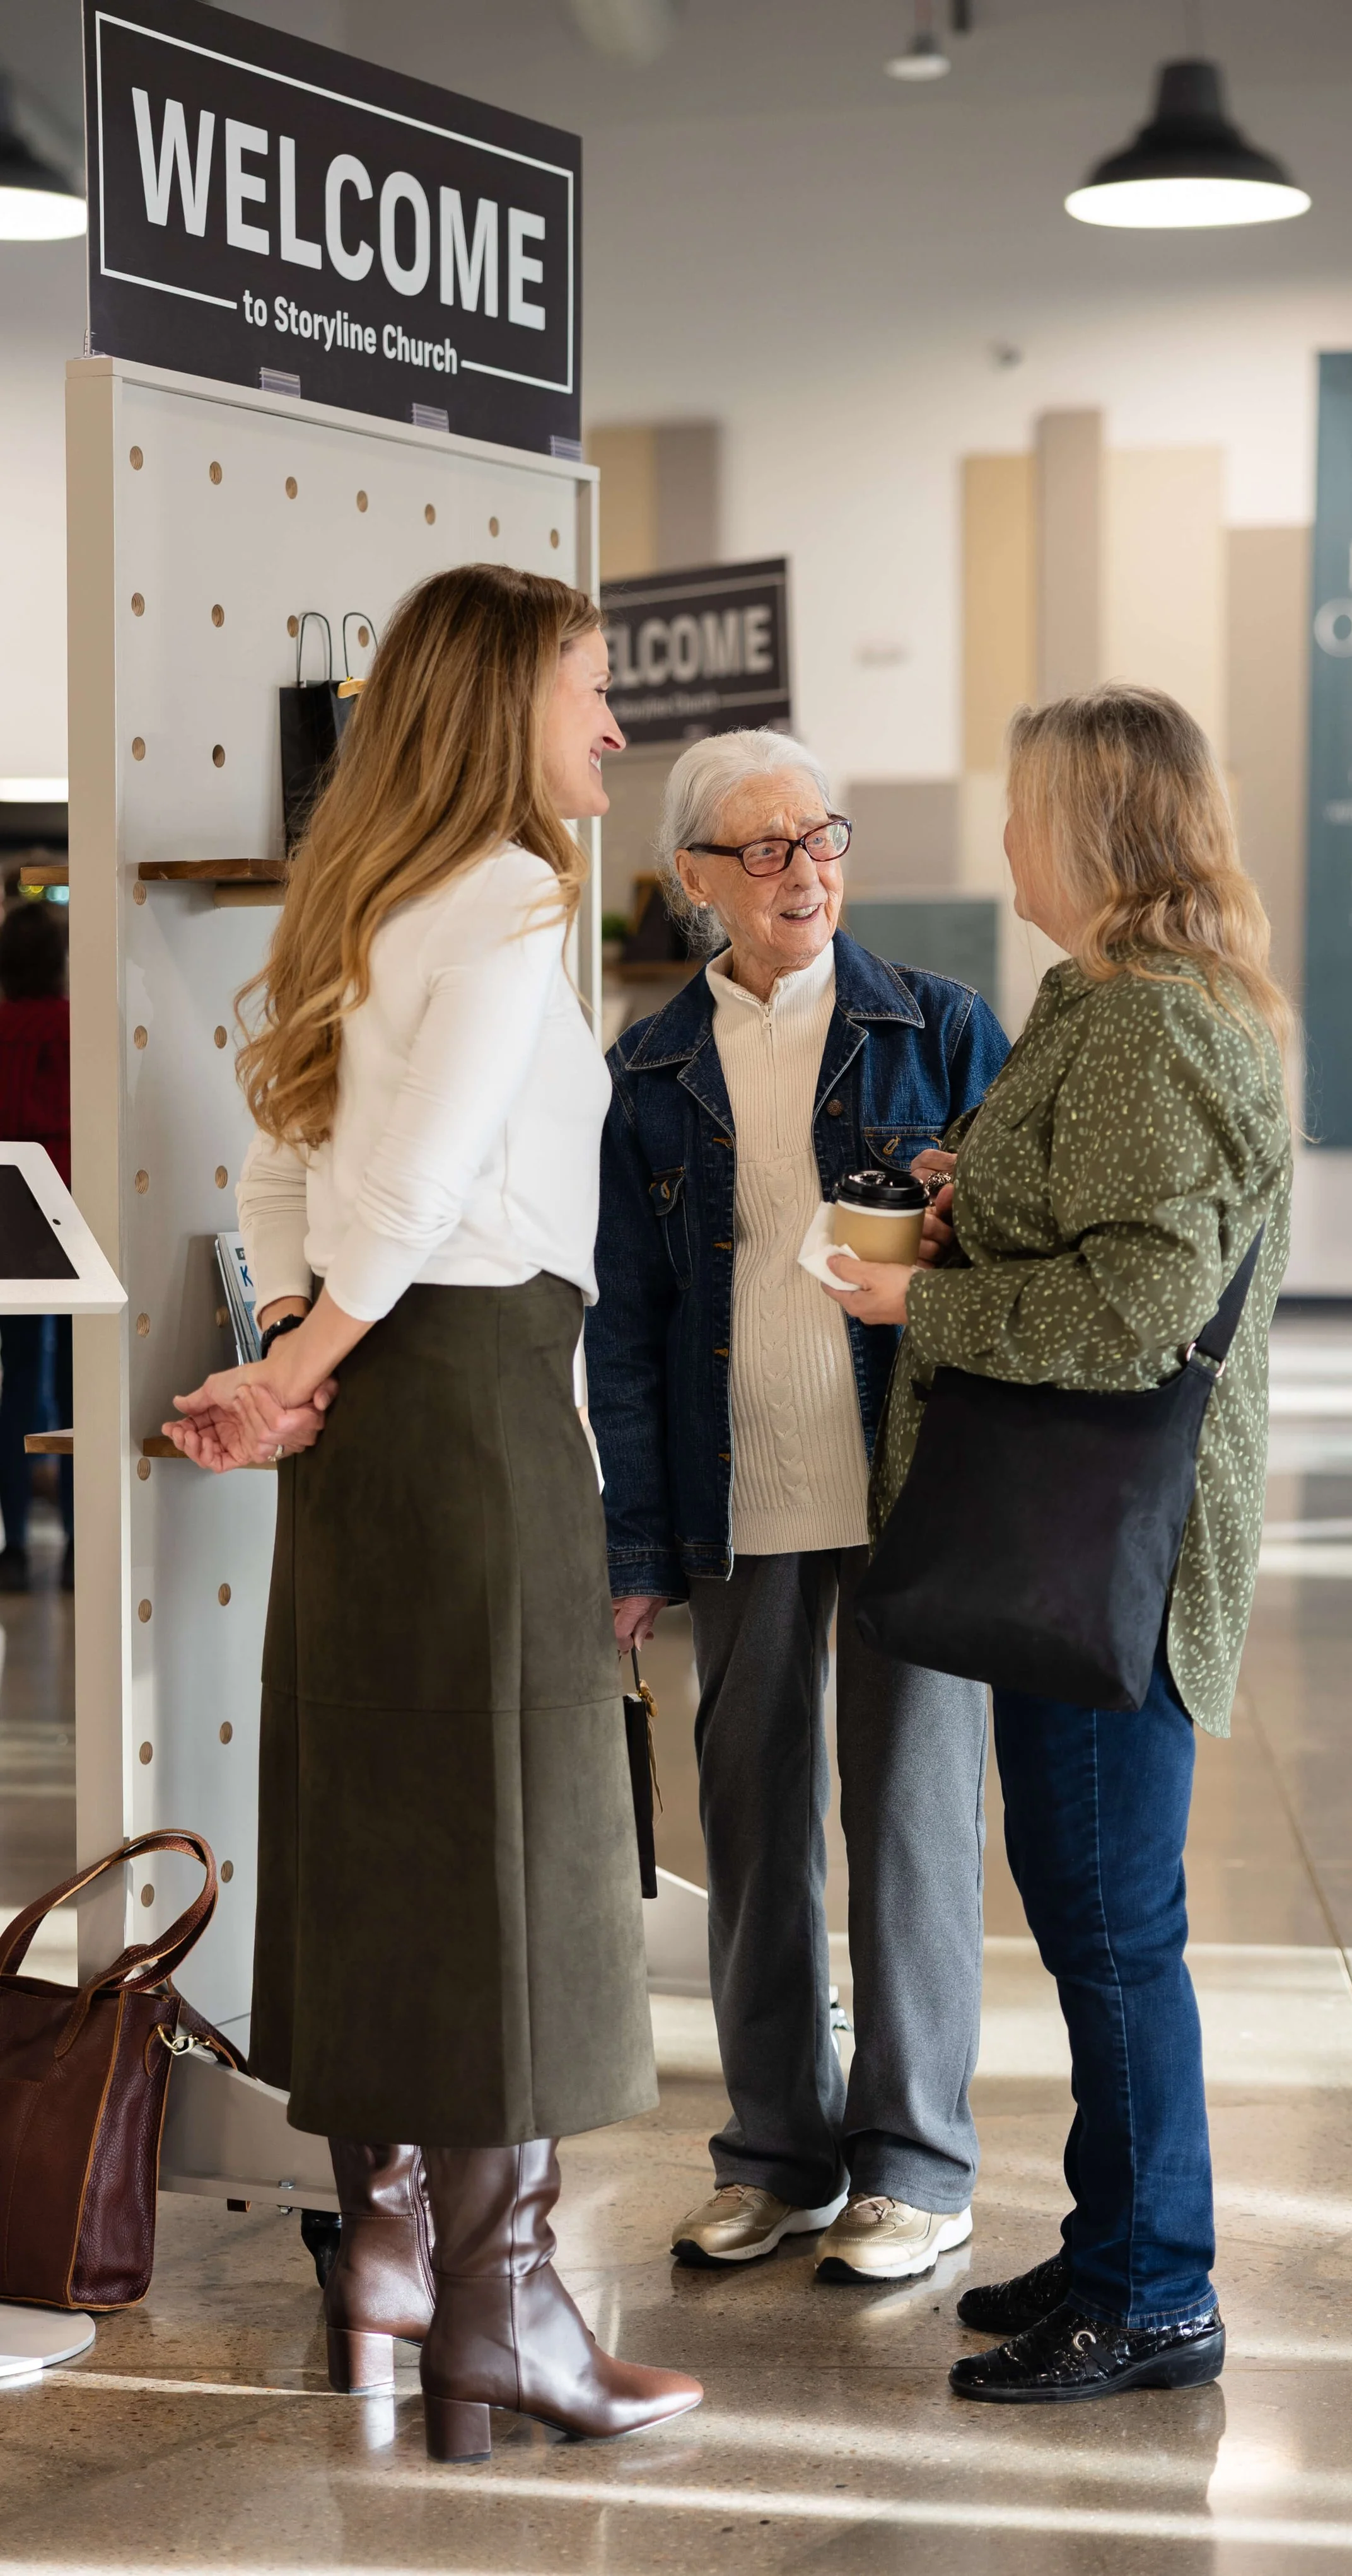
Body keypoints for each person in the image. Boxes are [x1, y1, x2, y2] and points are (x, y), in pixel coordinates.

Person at [161, 565, 701, 2461]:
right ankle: (509, 2313)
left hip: (368, 1434)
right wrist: (303, 1360)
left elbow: (284, 1176)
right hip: (468, 1420)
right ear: (498, 712)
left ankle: (385, 2259)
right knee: (521, 1850)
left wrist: (292, 1371)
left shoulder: (357, 902)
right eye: (591, 693)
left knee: (383, 1830)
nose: (615, 730)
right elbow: (417, 1185)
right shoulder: (507, 902)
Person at [824, 683, 1293, 2404]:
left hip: (1113, 1557)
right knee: (1092, 1909)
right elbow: (1090, 1222)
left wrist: (919, 1292)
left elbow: (1136, 1302)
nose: (1005, 838)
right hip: (1074, 1535)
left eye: (1025, 807)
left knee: (1110, 1928)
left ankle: (1157, 2285)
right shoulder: (1093, 999)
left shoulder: (1151, 1024)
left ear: (1090, 825)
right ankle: (1112, 2240)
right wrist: (972, 1190)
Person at [586, 728, 1011, 2283]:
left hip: (908, 1490)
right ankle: (780, 2153)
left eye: (820, 836)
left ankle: (917, 2161)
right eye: (762, 848)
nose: (804, 870)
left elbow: (1022, 1261)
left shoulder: (944, 1027)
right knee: (759, 1834)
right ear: (696, 878)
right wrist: (636, 1544)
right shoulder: (646, 1068)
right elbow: (622, 1326)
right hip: (736, 1488)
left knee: (909, 1825)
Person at [0, 899, 73, 1592]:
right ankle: (82, 1545)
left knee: (18, 1385)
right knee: (81, 1387)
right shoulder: (76, 1028)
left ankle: (15, 1544)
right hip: (77, 1220)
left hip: (9, 1222)